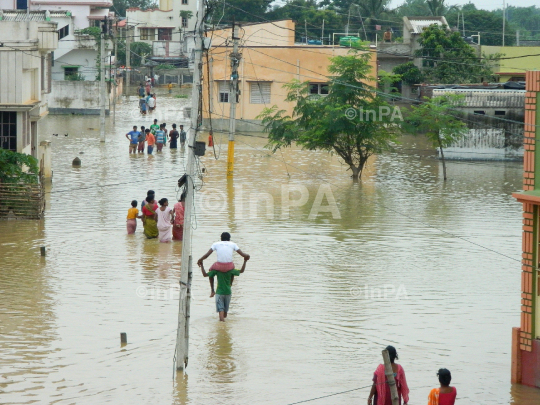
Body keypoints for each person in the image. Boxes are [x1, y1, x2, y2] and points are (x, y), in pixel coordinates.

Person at [199, 257, 248, 322]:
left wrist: (202, 265)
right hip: (228, 293)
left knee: (221, 313)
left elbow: (205, 274)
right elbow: (241, 271)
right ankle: (224, 327)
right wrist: (245, 261)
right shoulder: (231, 271)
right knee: (225, 314)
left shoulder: (217, 271)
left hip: (219, 293)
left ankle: (222, 327)